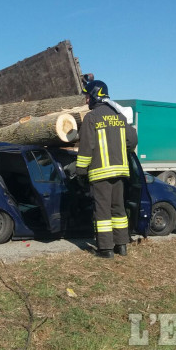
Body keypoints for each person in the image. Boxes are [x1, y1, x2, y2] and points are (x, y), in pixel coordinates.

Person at [76, 79, 138, 258]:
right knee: (118, 209)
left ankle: (106, 249)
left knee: (102, 211)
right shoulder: (120, 116)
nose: (86, 100)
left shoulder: (92, 118)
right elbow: (132, 141)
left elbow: (86, 147)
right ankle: (122, 246)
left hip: (100, 173)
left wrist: (80, 171)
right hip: (120, 172)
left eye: (87, 97)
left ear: (95, 95)